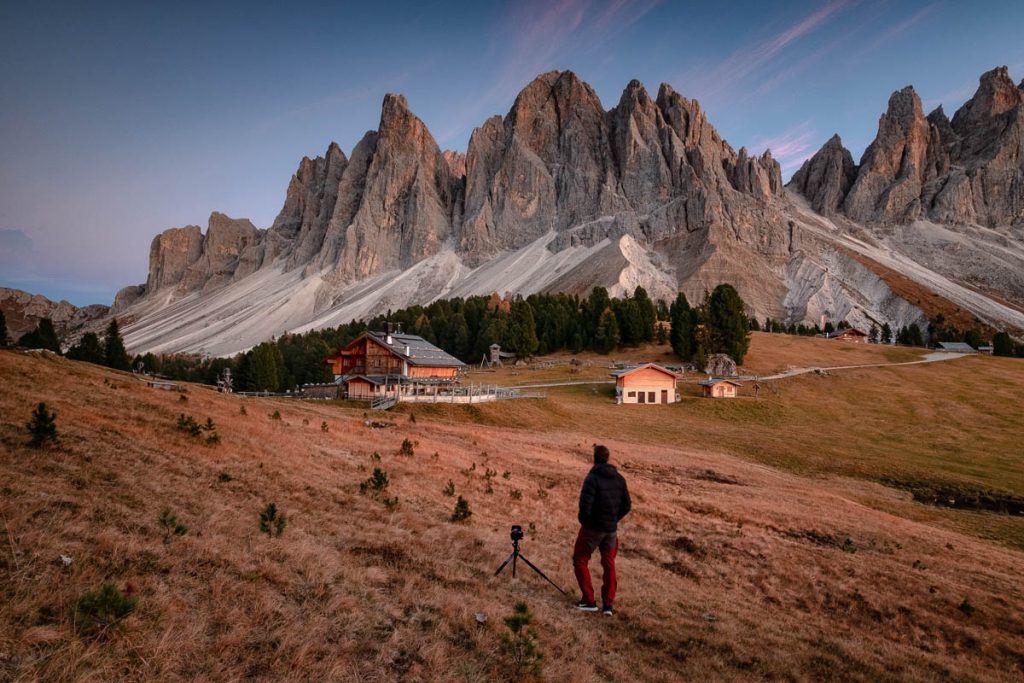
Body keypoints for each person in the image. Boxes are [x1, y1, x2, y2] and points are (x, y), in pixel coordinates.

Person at [572, 444, 631, 616]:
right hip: (610, 530)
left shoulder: (592, 478)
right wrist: (613, 519)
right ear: (608, 458)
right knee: (609, 563)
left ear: (595, 458)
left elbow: (584, 505)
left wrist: (585, 521)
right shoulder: (619, 478)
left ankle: (589, 600)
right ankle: (608, 605)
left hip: (593, 528)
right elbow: (627, 505)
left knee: (580, 559)